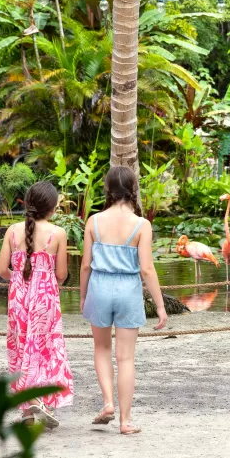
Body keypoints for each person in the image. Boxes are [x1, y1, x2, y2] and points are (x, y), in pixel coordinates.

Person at [80, 166, 168, 435]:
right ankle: (125, 421)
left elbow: (85, 265)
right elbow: (147, 269)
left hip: (100, 286)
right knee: (126, 358)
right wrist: (161, 306)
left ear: (107, 189)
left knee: (102, 349)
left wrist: (84, 296)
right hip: (128, 289)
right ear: (133, 190)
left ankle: (107, 402)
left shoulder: (93, 221)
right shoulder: (142, 225)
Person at [0, 182, 73, 429]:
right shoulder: (58, 233)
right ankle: (38, 400)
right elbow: (61, 274)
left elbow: (0, 270)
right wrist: (44, 281)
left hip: (17, 298)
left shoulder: (12, 231)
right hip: (46, 298)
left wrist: (19, 279)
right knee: (43, 347)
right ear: (51, 208)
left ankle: (29, 407)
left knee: (21, 347)